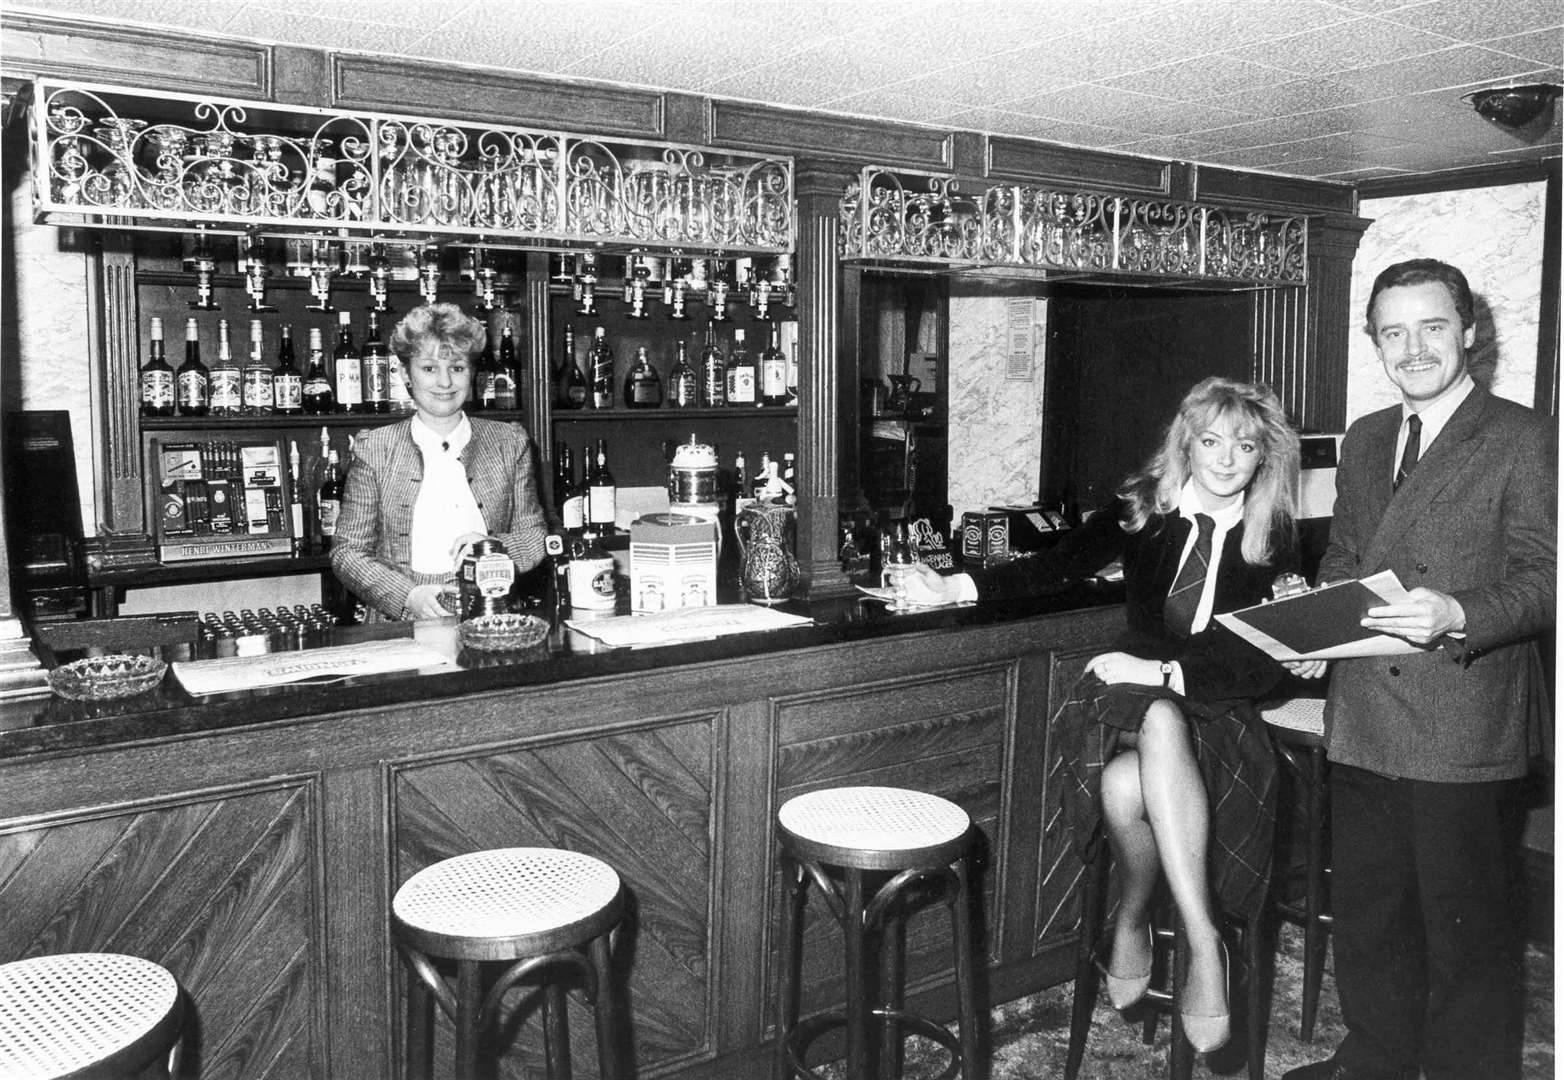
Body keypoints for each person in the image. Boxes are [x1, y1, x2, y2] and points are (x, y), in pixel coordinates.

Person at [908, 376, 1303, 1054]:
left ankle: (1131, 915)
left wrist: (1185, 671)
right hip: (1127, 697)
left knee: (1126, 785)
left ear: (1265, 456)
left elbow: (1261, 658)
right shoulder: (1141, 507)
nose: (1227, 460)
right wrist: (954, 583)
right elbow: (1055, 565)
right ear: (1187, 443)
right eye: (1211, 442)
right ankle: (1205, 944)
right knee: (1156, 721)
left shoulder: (1276, 534)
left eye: (1245, 446)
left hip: (1215, 705)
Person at [1280, 260, 1555, 1080]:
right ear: (1375, 343)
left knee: (1465, 934)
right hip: (1364, 715)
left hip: (1461, 721)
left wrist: (1458, 612)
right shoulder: (1366, 437)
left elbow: (1550, 577)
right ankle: (1377, 1059)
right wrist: (1312, 625)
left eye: (1431, 326)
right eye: (1393, 332)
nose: (1413, 348)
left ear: (1469, 331)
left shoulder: (1524, 436)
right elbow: (1349, 559)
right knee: (1371, 921)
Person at [332, 302, 549, 620]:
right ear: (406, 373)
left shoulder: (509, 442)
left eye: (457, 368)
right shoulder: (374, 448)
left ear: (472, 373)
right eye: (429, 368)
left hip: (493, 611)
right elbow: (347, 552)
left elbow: (535, 535)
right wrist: (407, 596)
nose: (445, 383)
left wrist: (496, 549)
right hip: (401, 621)